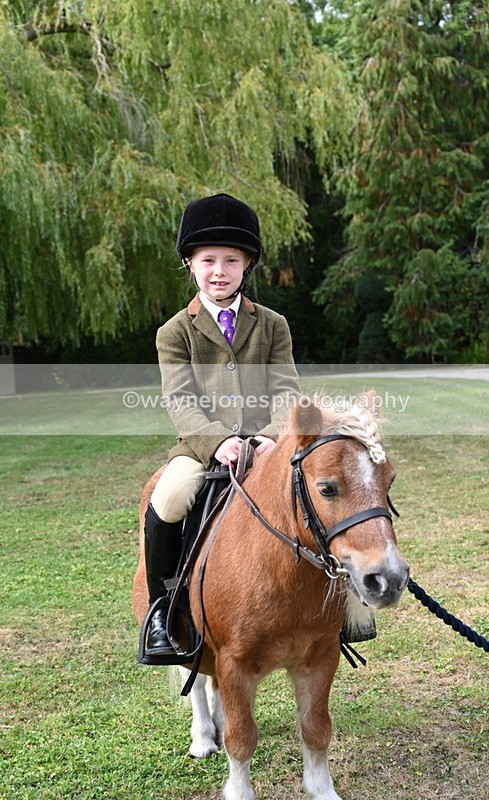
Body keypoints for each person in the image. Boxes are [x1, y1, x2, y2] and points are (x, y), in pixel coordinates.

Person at [143, 192, 301, 656]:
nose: (219, 270)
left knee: (324, 492)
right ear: (190, 265)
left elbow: (287, 390)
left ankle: (345, 610)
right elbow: (181, 401)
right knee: (168, 499)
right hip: (202, 450)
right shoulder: (174, 332)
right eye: (208, 260)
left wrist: (272, 438)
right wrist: (219, 443)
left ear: (246, 265)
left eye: (231, 260)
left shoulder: (273, 325)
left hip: (269, 446)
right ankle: (161, 609)